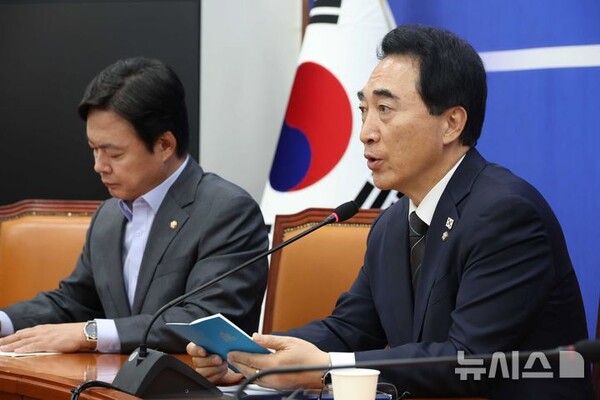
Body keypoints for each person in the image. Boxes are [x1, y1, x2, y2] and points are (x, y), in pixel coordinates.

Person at [187, 25, 592, 398]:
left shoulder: (506, 214)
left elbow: (468, 362)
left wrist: (324, 370)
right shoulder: (394, 223)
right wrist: (251, 358)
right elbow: (350, 328)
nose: (365, 132)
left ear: (451, 123)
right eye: (364, 110)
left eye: (385, 109)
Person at [0, 57, 268, 355]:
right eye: (94, 149)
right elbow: (75, 302)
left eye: (114, 154)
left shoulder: (227, 212)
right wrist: (4, 321)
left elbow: (204, 320)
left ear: (165, 145)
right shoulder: (109, 216)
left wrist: (90, 333)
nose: (99, 166)